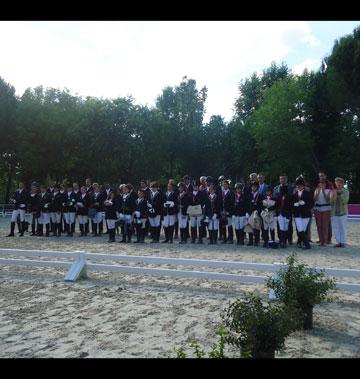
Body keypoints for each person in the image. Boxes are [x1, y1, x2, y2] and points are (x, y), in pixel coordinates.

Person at [292, 177, 314, 249]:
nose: (299, 186)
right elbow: (291, 202)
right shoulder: (294, 193)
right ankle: (307, 244)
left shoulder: (308, 193)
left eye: (300, 185)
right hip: (297, 214)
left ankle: (300, 242)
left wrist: (305, 203)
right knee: (300, 229)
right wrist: (294, 204)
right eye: (297, 185)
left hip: (305, 214)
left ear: (303, 185)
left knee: (303, 230)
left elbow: (312, 203)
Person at [274, 174, 294, 245]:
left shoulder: (291, 188)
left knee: (289, 225)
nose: (282, 180)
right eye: (281, 179)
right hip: (279, 210)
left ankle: (289, 239)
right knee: (279, 225)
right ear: (279, 179)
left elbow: (292, 199)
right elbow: (274, 199)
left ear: (286, 179)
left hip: (287, 209)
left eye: (284, 179)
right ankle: (281, 239)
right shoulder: (276, 188)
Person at [330, 177, 349, 248]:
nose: (338, 185)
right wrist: (333, 196)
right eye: (337, 183)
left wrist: (340, 194)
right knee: (336, 228)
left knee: (343, 228)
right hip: (334, 212)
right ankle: (338, 242)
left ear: (343, 184)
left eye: (340, 183)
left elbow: (345, 201)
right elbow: (331, 202)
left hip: (343, 212)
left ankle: (343, 242)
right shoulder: (333, 191)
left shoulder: (346, 191)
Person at [318, 171, 334, 244]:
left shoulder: (329, 184)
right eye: (320, 176)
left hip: (327, 207)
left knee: (327, 224)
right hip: (319, 207)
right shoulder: (318, 184)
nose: (321, 177)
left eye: (322, 176)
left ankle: (328, 239)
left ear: (325, 176)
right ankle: (322, 238)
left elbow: (332, 195)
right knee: (321, 224)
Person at [314, 181, 331, 246]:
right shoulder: (316, 190)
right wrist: (318, 193)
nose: (321, 185)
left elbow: (327, 200)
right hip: (317, 209)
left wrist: (323, 191)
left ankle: (325, 241)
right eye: (320, 184)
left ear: (325, 185)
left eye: (323, 184)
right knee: (319, 226)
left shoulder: (328, 191)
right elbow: (314, 200)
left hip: (326, 209)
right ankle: (321, 240)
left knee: (325, 226)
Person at [246, 181, 263, 246]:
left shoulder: (260, 195)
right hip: (250, 212)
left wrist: (258, 211)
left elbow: (261, 205)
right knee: (250, 226)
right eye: (252, 186)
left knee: (256, 227)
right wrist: (247, 212)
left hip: (256, 213)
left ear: (257, 187)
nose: (253, 188)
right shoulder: (249, 195)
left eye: (255, 186)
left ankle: (256, 241)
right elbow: (247, 204)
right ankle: (250, 241)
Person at [275, 184, 292, 248]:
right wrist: (276, 214)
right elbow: (277, 206)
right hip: (280, 214)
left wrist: (289, 215)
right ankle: (282, 241)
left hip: (286, 214)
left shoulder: (289, 197)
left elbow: (290, 207)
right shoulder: (279, 197)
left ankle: (285, 241)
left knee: (286, 228)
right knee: (281, 228)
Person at [220, 179, 235, 244]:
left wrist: (228, 211)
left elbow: (232, 203)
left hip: (228, 211)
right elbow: (219, 202)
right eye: (223, 185)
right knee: (223, 225)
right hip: (222, 211)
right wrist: (221, 210)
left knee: (229, 225)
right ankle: (224, 238)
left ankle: (230, 238)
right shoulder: (221, 192)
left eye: (226, 185)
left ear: (228, 185)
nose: (224, 186)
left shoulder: (231, 192)